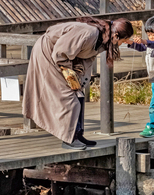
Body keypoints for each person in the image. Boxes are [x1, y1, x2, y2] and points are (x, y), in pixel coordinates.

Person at [22, 17, 134, 150]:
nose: (124, 42)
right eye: (123, 39)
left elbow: (84, 59)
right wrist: (67, 71)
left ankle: (77, 134)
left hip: (63, 58)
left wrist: (79, 77)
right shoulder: (89, 33)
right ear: (116, 35)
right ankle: (68, 138)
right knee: (69, 97)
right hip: (49, 53)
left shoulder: (103, 41)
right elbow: (61, 52)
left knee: (78, 94)